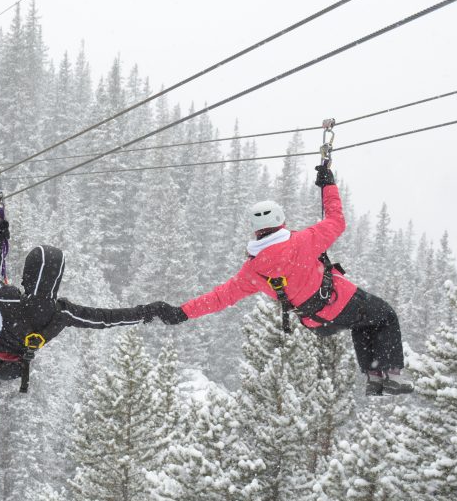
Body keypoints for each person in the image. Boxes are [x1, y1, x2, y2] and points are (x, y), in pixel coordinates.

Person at [155, 164, 413, 396]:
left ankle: (374, 377)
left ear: (256, 229)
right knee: (385, 315)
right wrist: (328, 185)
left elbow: (220, 298)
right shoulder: (302, 242)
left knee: (364, 324)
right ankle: (389, 375)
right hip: (340, 301)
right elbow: (336, 220)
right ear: (280, 221)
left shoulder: (253, 271)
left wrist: (183, 312)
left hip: (316, 322)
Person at [0, 218, 174, 441]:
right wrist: (149, 311)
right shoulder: (62, 313)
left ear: (29, 273)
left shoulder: (12, 300)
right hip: (14, 368)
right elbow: (107, 319)